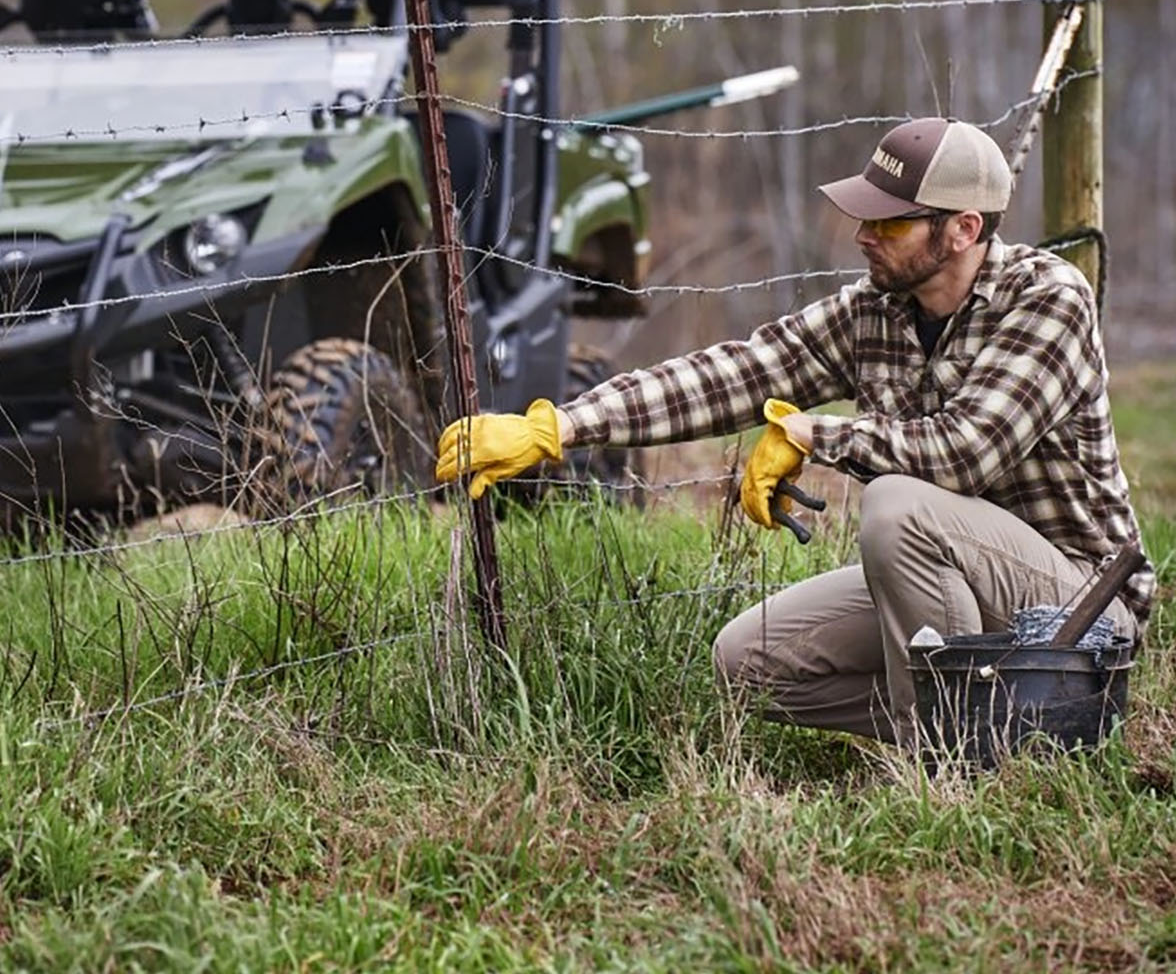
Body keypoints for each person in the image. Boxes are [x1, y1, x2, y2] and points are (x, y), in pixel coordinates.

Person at [436, 116, 1153, 744]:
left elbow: (965, 453)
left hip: (1079, 605)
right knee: (749, 660)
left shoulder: (1048, 299)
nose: (864, 235)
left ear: (963, 229)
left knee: (897, 507)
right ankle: (995, 724)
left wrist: (817, 436)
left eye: (891, 222)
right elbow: (738, 373)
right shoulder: (875, 309)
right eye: (866, 215)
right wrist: (560, 425)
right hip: (953, 587)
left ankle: (955, 766)